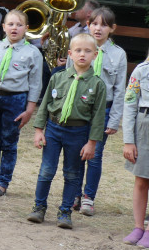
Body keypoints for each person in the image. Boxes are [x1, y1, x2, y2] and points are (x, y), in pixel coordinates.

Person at [27, 33, 106, 229]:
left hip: (78, 133)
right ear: (70, 53)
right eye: (78, 50)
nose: (82, 55)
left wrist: (92, 142)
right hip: (53, 129)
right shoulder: (58, 77)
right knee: (46, 170)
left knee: (72, 174)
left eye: (88, 51)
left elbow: (98, 117)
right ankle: (39, 207)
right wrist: (39, 130)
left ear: (95, 55)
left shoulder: (97, 85)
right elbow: (45, 105)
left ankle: (65, 211)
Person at [68, 6, 125, 215]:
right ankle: (73, 193)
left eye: (104, 25)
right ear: (88, 25)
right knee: (76, 152)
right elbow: (68, 78)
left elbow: (120, 90)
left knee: (95, 154)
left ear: (112, 28)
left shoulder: (118, 55)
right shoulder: (78, 48)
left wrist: (114, 120)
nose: (98, 28)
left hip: (104, 111)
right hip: (80, 108)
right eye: (94, 24)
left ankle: (88, 197)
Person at [0, 9, 42, 197]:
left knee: (8, 142)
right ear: (3, 26)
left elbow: (35, 83)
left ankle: (3, 182)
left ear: (27, 28)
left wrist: (30, 109)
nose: (15, 28)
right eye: (11, 24)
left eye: (19, 25)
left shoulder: (33, 53)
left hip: (15, 99)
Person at [121, 54, 149, 247]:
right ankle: (138, 227)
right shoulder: (140, 71)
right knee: (141, 181)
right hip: (144, 128)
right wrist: (128, 141)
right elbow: (130, 104)